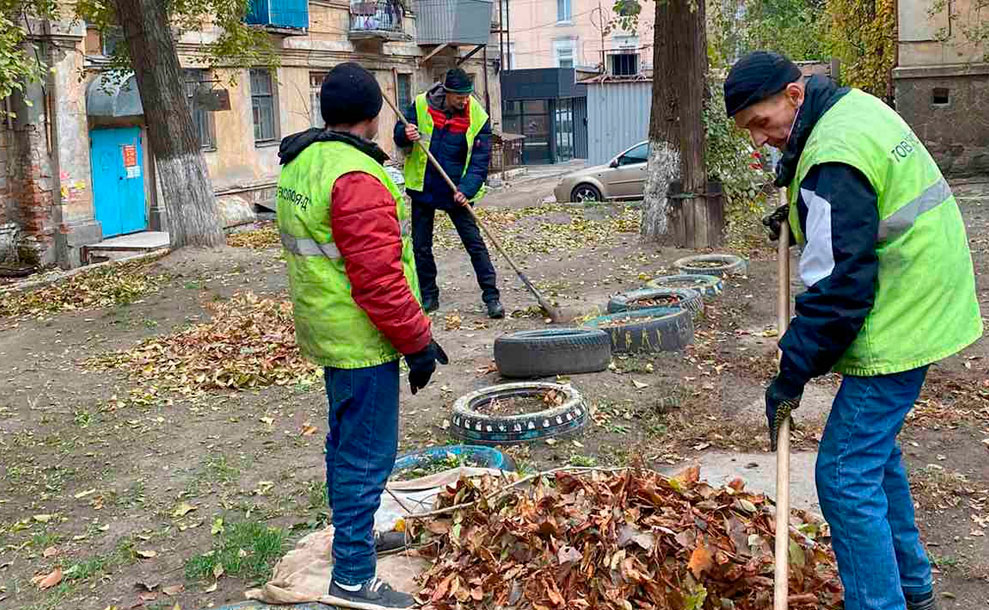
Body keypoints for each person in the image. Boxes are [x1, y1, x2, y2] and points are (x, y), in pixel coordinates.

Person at [725, 51, 982, 610]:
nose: (760, 140)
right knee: (873, 453)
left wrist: (791, 372)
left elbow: (838, 290)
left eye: (762, 125)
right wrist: (798, 208)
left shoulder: (832, 157)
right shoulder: (847, 108)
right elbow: (858, 207)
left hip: (902, 309)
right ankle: (913, 591)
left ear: (794, 95)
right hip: (925, 291)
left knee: (842, 473)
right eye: (749, 132)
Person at [276, 62, 448, 609]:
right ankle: (352, 575)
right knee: (366, 456)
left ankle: (354, 538)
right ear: (374, 115)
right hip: (362, 338)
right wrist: (417, 342)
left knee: (344, 445)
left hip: (327, 327)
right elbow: (378, 279)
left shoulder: (303, 163)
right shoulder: (356, 177)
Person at [393, 68, 504, 319]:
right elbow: (400, 135)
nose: (464, 101)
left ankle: (492, 296)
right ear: (447, 92)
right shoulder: (421, 105)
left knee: (475, 244)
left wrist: (467, 190)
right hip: (424, 186)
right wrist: (405, 134)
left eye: (466, 96)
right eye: (459, 97)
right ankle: (429, 295)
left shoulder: (478, 116)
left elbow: (479, 161)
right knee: (421, 246)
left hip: (457, 190)